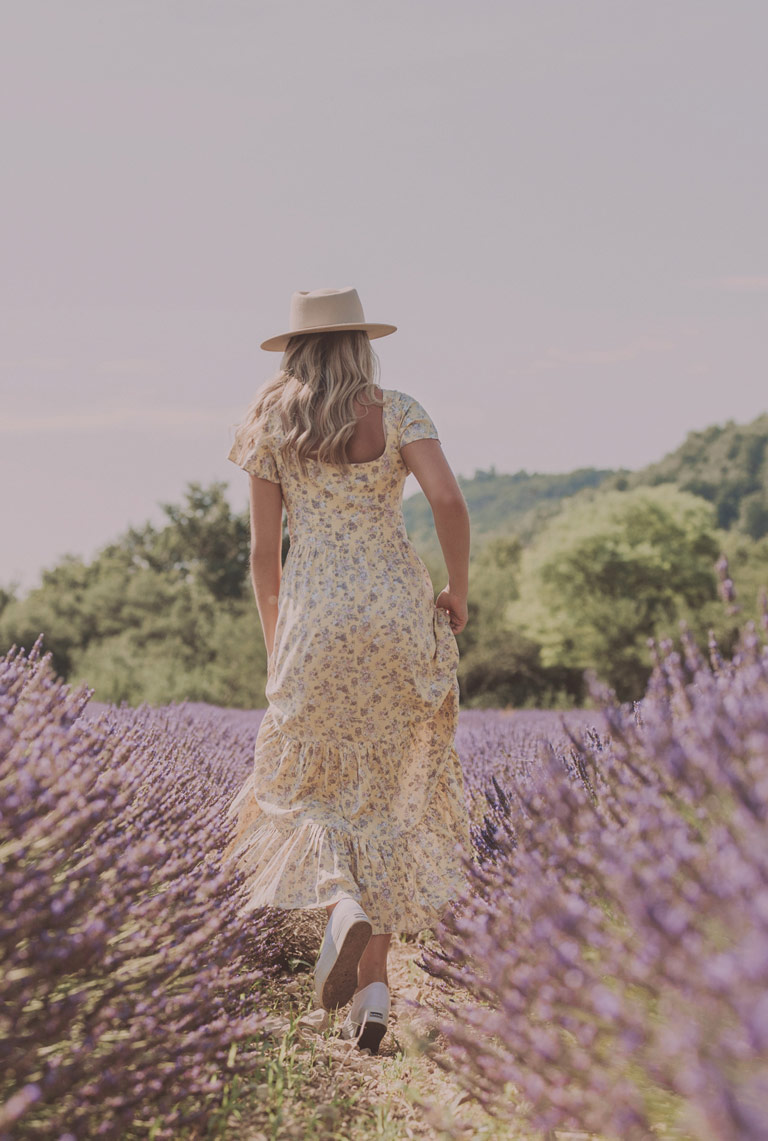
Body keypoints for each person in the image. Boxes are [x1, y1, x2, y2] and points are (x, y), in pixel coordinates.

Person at [224, 287, 471, 1055]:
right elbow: (448, 500)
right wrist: (456, 588)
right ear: (361, 343)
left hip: (315, 619)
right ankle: (373, 987)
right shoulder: (397, 409)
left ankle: (338, 899)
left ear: (296, 350)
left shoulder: (271, 422)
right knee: (395, 791)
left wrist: (279, 642)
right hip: (396, 611)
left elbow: (265, 555)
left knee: (309, 783)